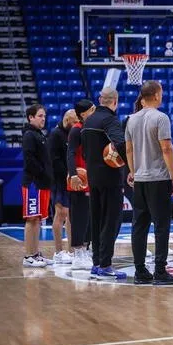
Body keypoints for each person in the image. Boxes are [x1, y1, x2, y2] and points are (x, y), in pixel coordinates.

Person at [125, 80, 173, 285]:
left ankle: (140, 271)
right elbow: (166, 148)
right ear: (156, 95)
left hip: (139, 179)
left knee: (139, 225)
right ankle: (160, 270)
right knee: (161, 226)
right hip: (158, 178)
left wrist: (132, 171)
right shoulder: (161, 117)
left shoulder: (131, 119)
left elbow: (128, 150)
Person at [81, 87, 128, 280]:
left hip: (93, 177)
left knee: (97, 219)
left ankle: (96, 263)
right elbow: (120, 143)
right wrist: (129, 165)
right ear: (115, 102)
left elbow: (84, 151)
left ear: (100, 99)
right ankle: (106, 264)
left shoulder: (89, 120)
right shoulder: (110, 119)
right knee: (111, 220)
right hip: (110, 177)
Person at [21, 103, 54, 267]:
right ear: (31, 117)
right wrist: (42, 173)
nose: (43, 119)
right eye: (40, 116)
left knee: (38, 219)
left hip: (42, 183)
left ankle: (35, 254)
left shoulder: (39, 134)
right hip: (33, 183)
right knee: (31, 218)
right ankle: (28, 256)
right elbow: (29, 160)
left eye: (44, 116)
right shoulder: (29, 135)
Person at [67, 99, 95, 270]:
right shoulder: (76, 131)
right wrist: (73, 174)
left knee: (89, 216)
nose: (95, 111)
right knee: (78, 216)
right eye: (92, 109)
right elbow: (70, 154)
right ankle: (77, 253)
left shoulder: (90, 129)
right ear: (83, 113)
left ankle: (86, 249)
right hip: (79, 178)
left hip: (91, 178)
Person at [47, 108, 78, 264]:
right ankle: (58, 252)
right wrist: (67, 172)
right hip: (59, 180)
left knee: (71, 215)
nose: (76, 125)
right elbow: (53, 160)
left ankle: (72, 251)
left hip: (70, 180)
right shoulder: (55, 135)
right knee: (61, 214)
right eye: (74, 122)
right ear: (67, 121)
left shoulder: (70, 133)